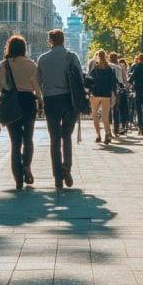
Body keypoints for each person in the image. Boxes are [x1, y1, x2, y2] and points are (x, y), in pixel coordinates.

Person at [37, 29, 82, 189]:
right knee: (67, 137)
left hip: (51, 100)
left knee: (54, 140)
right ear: (63, 40)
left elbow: (38, 81)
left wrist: (42, 96)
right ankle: (67, 168)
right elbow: (80, 79)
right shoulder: (72, 56)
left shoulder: (42, 59)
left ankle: (57, 176)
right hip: (68, 100)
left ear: (51, 41)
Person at [0, 35, 43, 189]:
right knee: (28, 138)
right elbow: (36, 85)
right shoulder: (31, 64)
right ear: (24, 48)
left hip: (12, 102)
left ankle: (18, 179)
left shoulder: (5, 64)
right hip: (28, 101)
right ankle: (27, 165)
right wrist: (40, 100)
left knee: (15, 142)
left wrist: (8, 90)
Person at [88, 50, 116, 145]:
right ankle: (108, 133)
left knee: (95, 115)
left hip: (95, 94)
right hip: (106, 95)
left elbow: (89, 81)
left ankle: (98, 135)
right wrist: (113, 94)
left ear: (97, 57)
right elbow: (113, 84)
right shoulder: (110, 69)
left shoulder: (95, 69)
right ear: (106, 56)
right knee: (105, 117)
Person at [108, 52, 128, 136]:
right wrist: (125, 87)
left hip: (107, 89)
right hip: (117, 90)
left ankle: (108, 128)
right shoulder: (119, 67)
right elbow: (123, 79)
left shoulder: (108, 66)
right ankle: (116, 130)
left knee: (108, 109)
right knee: (116, 109)